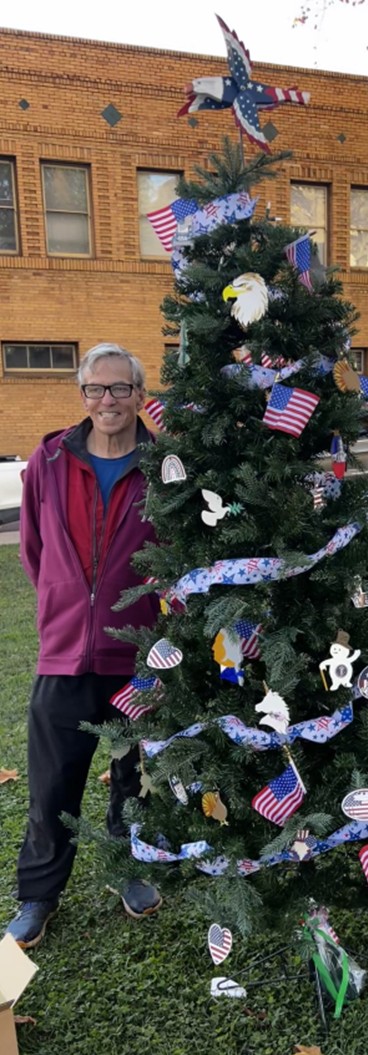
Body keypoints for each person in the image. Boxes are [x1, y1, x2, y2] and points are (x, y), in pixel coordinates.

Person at [6, 343, 163, 948]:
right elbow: (35, 552)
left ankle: (131, 871)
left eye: (120, 389)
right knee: (52, 785)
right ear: (82, 396)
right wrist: (65, 603)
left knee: (134, 776)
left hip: (139, 656)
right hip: (65, 652)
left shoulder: (163, 466)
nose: (107, 401)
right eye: (95, 389)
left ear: (139, 395)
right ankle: (38, 897)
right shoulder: (48, 460)